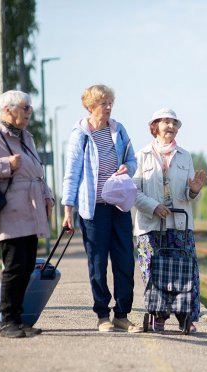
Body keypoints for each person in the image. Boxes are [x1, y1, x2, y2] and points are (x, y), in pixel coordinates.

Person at [0, 90, 54, 338]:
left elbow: (37, 171)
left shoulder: (27, 136)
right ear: (8, 110)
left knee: (26, 267)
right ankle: (8, 322)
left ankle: (18, 318)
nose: (29, 112)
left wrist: (48, 196)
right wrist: (6, 165)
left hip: (32, 210)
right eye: (25, 108)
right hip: (11, 213)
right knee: (14, 267)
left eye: (29, 108)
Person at [62, 84, 142, 333]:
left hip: (118, 205)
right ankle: (102, 315)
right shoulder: (80, 135)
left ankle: (122, 314)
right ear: (90, 107)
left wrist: (128, 167)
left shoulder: (118, 130)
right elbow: (72, 174)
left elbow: (131, 158)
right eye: (103, 103)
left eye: (110, 103)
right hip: (93, 209)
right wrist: (68, 210)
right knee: (98, 263)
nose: (108, 108)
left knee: (125, 261)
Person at [133, 108, 207, 332]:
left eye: (175, 123)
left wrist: (193, 191)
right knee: (154, 272)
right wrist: (153, 207)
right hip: (150, 225)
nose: (171, 127)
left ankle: (187, 318)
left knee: (186, 271)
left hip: (180, 225)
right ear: (155, 126)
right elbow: (133, 192)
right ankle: (159, 316)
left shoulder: (185, 156)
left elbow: (188, 194)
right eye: (166, 122)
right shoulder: (141, 155)